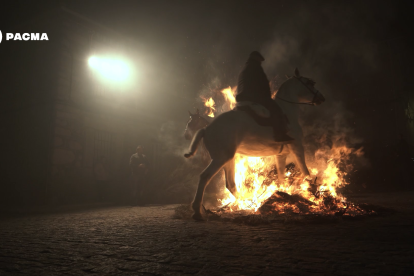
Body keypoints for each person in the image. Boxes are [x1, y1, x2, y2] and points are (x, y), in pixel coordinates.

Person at [236, 51, 294, 143]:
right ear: (257, 59)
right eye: (260, 60)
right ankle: (279, 134)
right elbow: (262, 84)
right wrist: (268, 97)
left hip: (241, 99)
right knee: (276, 109)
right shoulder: (256, 68)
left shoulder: (243, 69)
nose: (260, 62)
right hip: (253, 97)